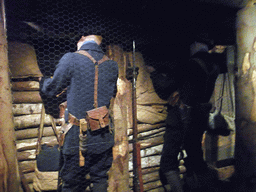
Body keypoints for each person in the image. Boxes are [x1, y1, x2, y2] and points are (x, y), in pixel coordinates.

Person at [39, 35, 118, 192]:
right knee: (100, 178)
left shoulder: (71, 58)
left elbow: (52, 88)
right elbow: (111, 92)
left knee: (70, 182)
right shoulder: (112, 64)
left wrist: (43, 82)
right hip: (103, 133)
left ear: (82, 39)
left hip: (77, 135)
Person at [148, 35, 227, 192]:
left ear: (197, 44)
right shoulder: (214, 67)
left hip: (180, 117)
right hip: (199, 116)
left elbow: (166, 85)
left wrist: (155, 73)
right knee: (195, 156)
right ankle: (201, 188)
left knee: (168, 161)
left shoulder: (190, 64)